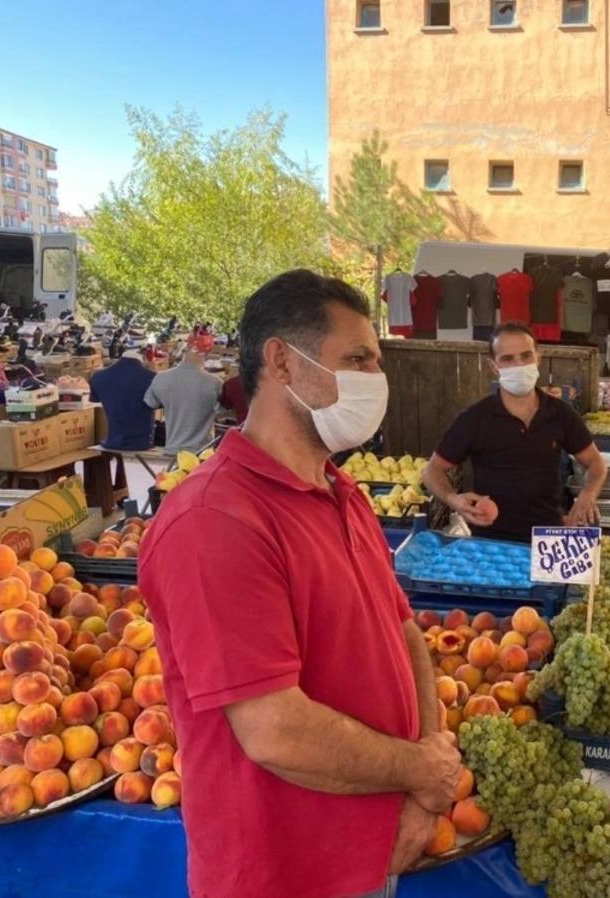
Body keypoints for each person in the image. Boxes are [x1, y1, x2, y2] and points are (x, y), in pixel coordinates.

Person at [137, 270, 461, 898]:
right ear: (282, 361)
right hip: (282, 876)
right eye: (358, 359)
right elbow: (273, 728)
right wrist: (420, 768)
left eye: (377, 361)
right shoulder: (214, 521)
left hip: (368, 858)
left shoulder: (344, 496)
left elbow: (403, 634)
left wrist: (424, 785)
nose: (376, 380)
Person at [422, 323, 608, 541]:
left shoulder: (560, 414)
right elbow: (432, 471)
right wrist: (453, 499)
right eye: (507, 359)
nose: (519, 365)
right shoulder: (475, 418)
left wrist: (587, 495)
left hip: (547, 537)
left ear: (538, 358)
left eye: (526, 355)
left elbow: (596, 463)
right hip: (490, 539)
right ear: (494, 367)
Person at [144, 345, 222, 455]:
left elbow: (151, 403)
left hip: (172, 449)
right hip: (202, 453)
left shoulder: (161, 378)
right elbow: (223, 412)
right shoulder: (215, 383)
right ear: (205, 356)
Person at [89, 349, 157, 451]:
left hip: (112, 440)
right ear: (142, 359)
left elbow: (95, 400)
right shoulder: (151, 377)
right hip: (142, 442)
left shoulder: (98, 376)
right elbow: (159, 403)